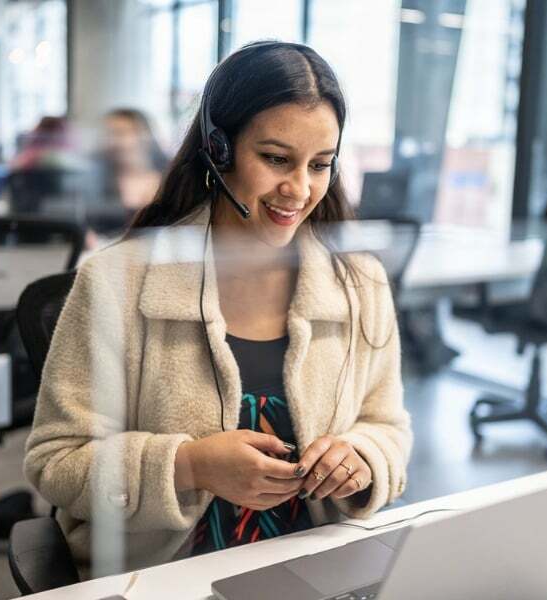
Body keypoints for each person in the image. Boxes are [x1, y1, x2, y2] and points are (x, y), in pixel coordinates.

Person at [24, 41, 412, 574]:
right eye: (276, 158)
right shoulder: (117, 279)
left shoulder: (359, 281)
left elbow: (388, 427)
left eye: (320, 165)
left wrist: (362, 458)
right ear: (218, 148)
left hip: (314, 566)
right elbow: (57, 461)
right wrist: (190, 466)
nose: (299, 189)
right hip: (162, 576)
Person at [96, 108, 169, 217]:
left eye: (120, 133)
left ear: (144, 135)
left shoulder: (168, 177)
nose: (113, 141)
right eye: (109, 134)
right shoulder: (97, 181)